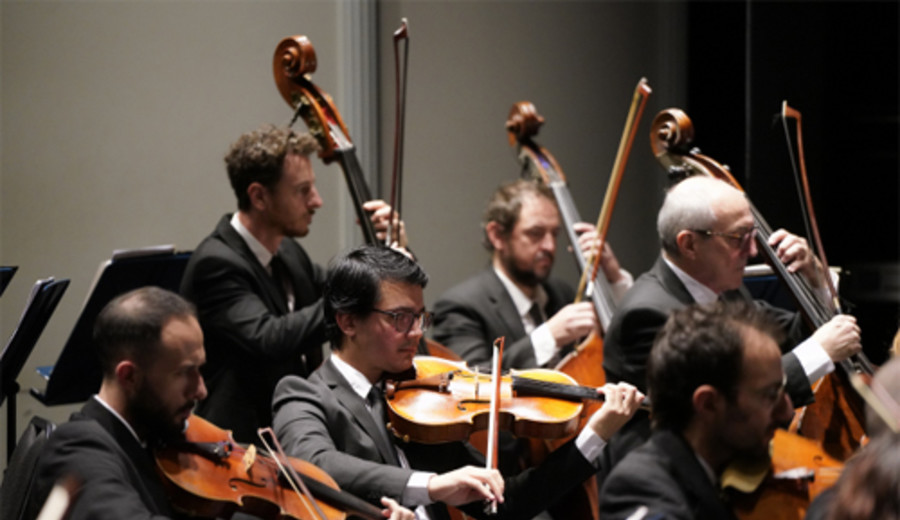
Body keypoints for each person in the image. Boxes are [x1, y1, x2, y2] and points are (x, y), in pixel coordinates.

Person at [272, 245, 645, 519]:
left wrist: (594, 435)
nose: (417, 333)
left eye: (421, 317)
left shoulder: (422, 402)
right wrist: (431, 485)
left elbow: (507, 503)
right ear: (348, 322)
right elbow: (314, 462)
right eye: (400, 318)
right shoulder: (304, 395)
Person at [19, 286, 414, 520]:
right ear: (129, 375)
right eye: (185, 373)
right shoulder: (79, 447)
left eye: (201, 370)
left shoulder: (156, 437)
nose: (202, 390)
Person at [602, 175, 862, 464]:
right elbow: (720, 411)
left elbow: (795, 332)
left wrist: (815, 280)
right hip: (668, 485)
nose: (752, 251)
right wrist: (818, 352)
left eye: (752, 235)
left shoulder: (724, 287)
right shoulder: (646, 316)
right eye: (739, 238)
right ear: (689, 244)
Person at [180, 124, 405, 443]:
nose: (317, 201)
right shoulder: (216, 263)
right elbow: (270, 338)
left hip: (292, 429)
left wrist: (389, 250)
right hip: (241, 445)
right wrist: (361, 288)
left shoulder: (287, 250)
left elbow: (344, 285)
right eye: (303, 190)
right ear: (259, 196)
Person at [600, 300, 795, 519]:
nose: (786, 412)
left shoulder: (725, 468)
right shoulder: (641, 489)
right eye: (770, 396)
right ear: (708, 404)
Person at [432, 179, 632, 372]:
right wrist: (548, 337)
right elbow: (468, 381)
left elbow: (621, 348)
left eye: (554, 233)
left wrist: (613, 278)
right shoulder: (460, 306)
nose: (550, 246)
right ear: (497, 236)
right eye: (535, 233)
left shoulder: (561, 292)